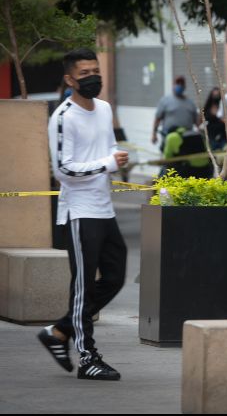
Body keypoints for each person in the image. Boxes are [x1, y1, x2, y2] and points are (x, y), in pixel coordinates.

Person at [39, 48, 128, 381]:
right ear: (69, 79)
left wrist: (115, 159)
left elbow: (104, 150)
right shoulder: (63, 117)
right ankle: (87, 357)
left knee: (116, 277)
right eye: (85, 73)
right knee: (83, 287)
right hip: (79, 211)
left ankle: (60, 330)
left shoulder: (103, 109)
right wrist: (106, 163)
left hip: (104, 208)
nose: (92, 77)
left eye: (96, 70)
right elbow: (63, 169)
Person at [152, 75, 198, 151]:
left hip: (187, 140)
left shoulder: (190, 103)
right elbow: (157, 119)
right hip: (169, 139)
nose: (179, 86)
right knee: (169, 160)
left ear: (185, 86)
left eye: (181, 84)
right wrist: (154, 135)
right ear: (173, 85)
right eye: (177, 83)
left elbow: (197, 122)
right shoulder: (165, 101)